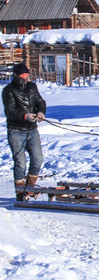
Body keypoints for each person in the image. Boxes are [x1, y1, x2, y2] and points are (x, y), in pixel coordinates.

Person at [2, 63, 46, 201]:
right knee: (20, 162)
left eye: (27, 75)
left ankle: (30, 188)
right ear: (16, 76)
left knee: (38, 159)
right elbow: (10, 111)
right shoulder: (8, 91)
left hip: (32, 130)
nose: (26, 78)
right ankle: (20, 192)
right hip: (16, 131)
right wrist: (25, 115)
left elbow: (40, 101)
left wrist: (41, 112)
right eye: (23, 76)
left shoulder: (32, 87)